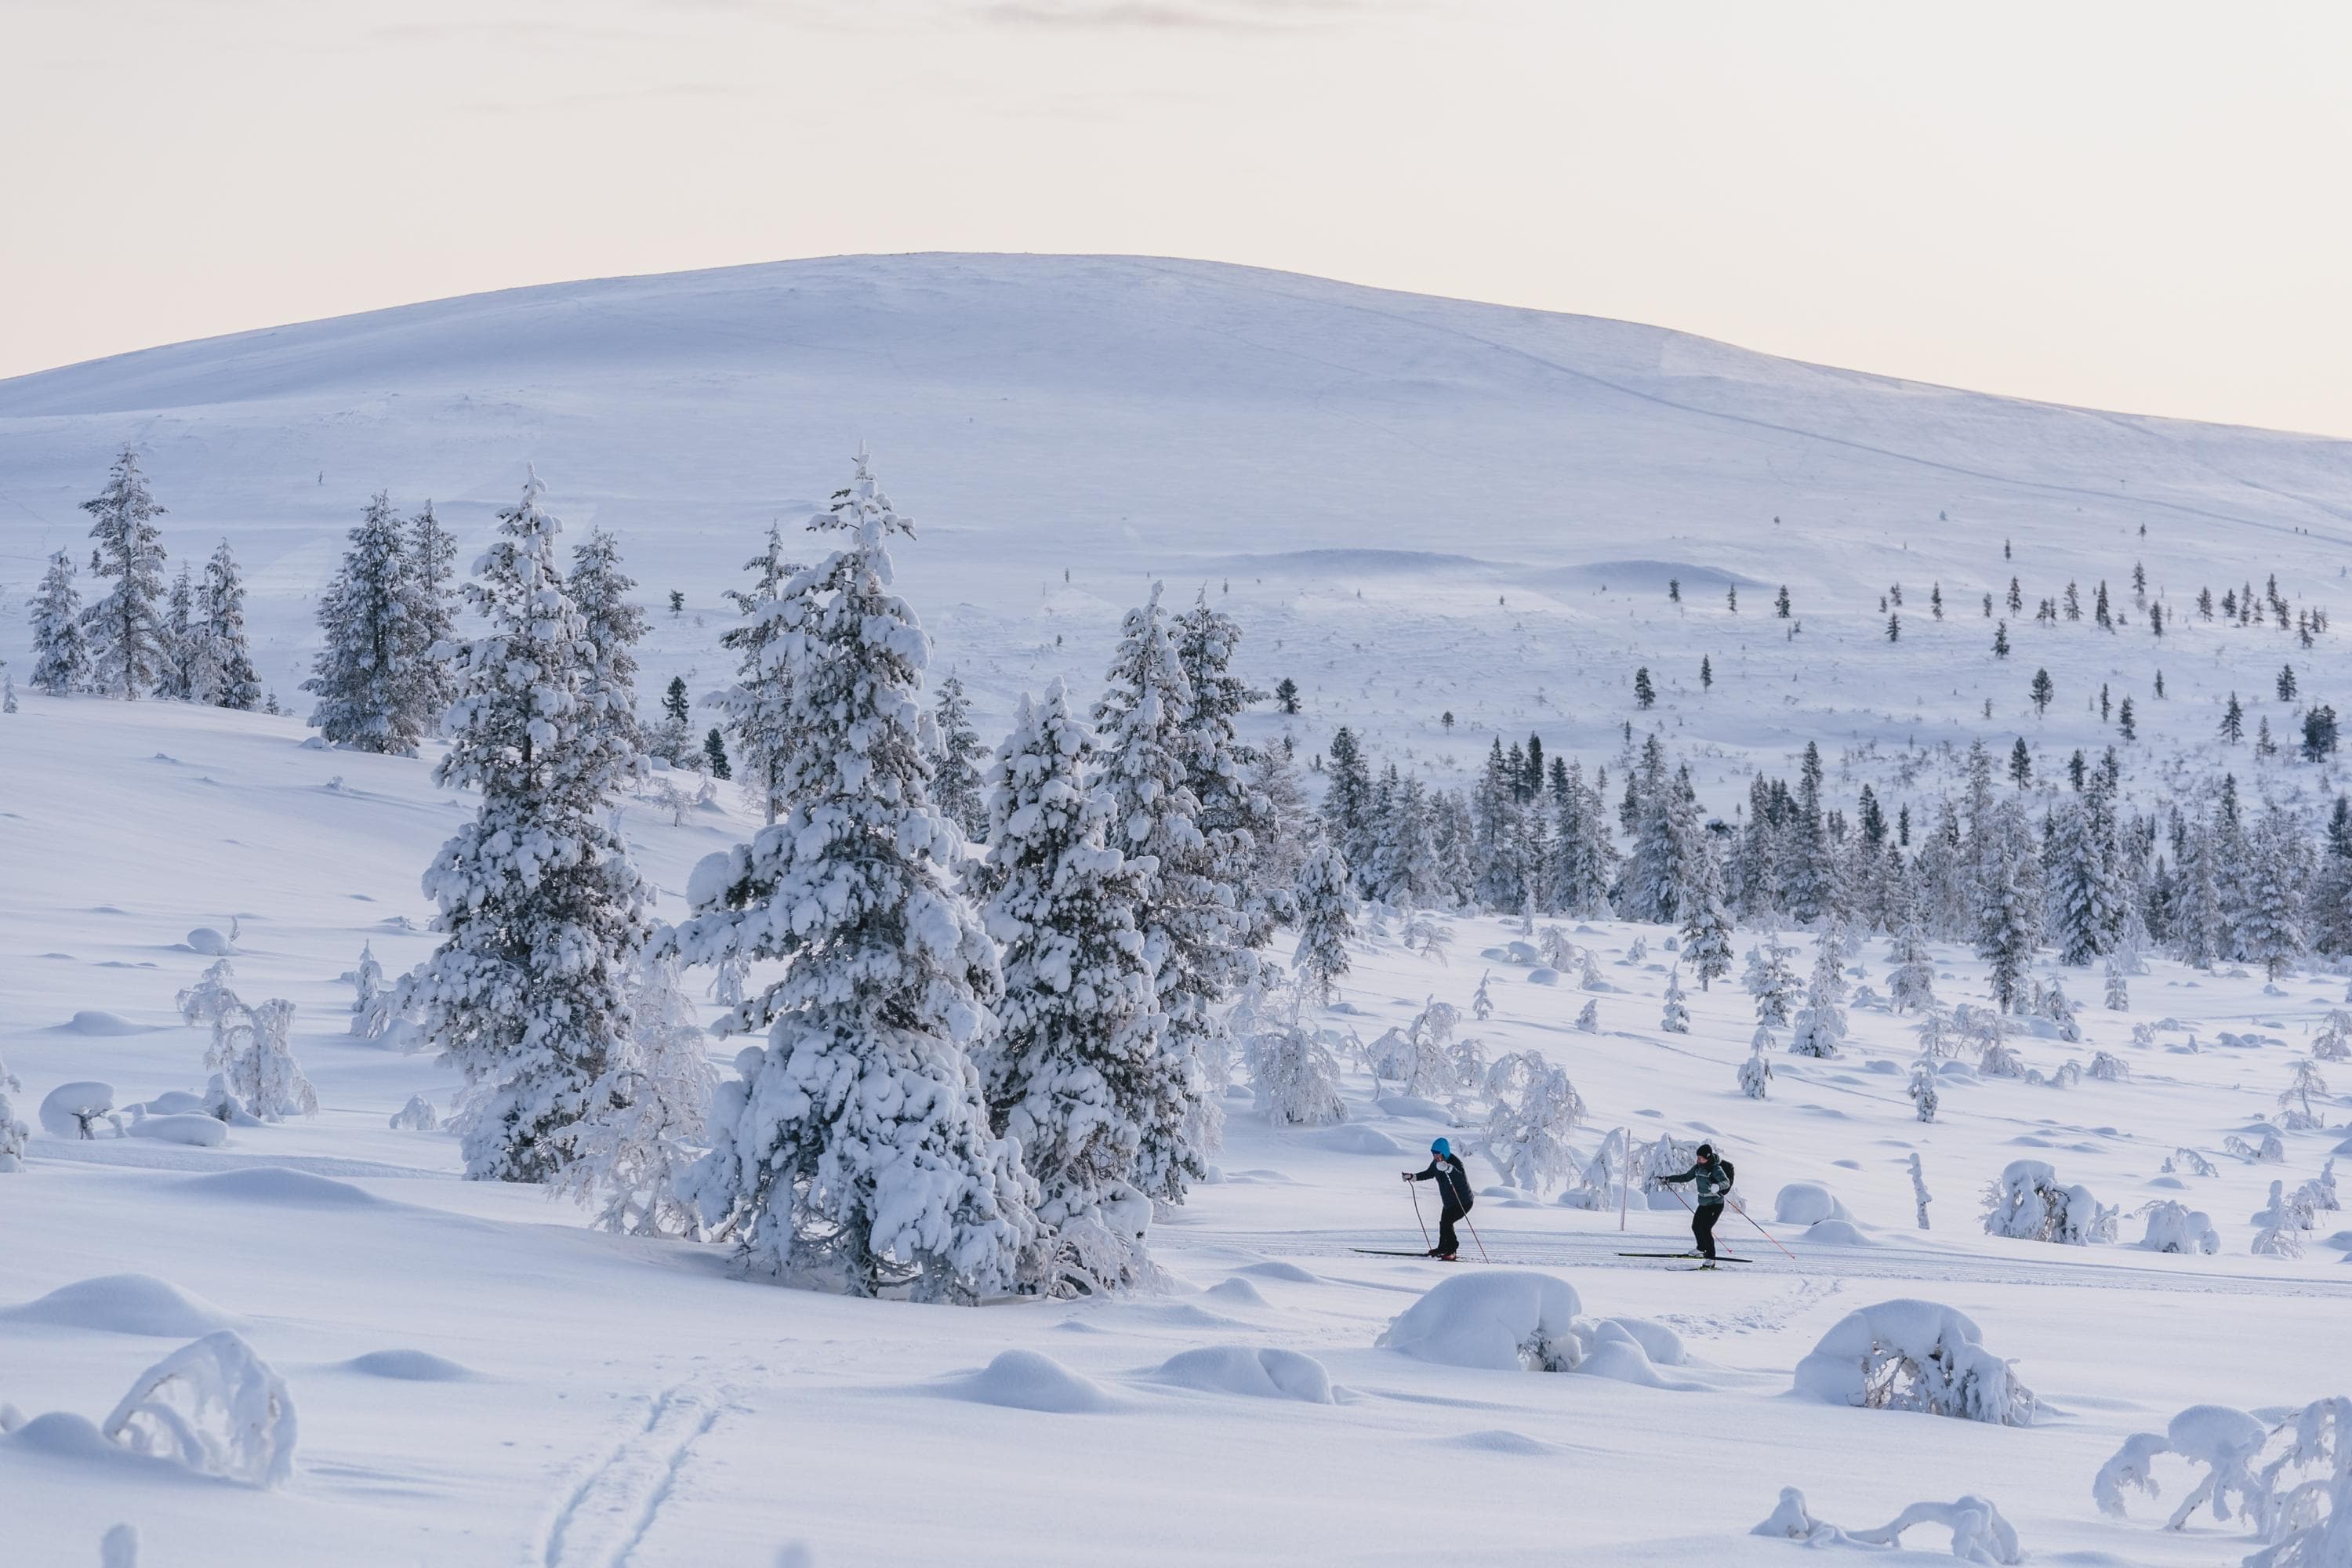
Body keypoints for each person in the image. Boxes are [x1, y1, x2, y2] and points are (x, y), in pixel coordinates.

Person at [1658, 1143, 1737, 1266]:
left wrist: (1718, 1186)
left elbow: (1726, 1182)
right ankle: (1701, 1249)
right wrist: (1668, 1179)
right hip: (1704, 1203)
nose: (1698, 1160)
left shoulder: (1715, 1169)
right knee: (1696, 1226)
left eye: (1701, 1158)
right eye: (1698, 1157)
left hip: (1715, 1204)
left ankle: (1711, 1259)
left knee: (1706, 1229)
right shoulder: (1698, 1168)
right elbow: (1685, 1177)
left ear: (1708, 1157)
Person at [1403, 1138, 1475, 1260]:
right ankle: (1443, 1248)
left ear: (1444, 1152)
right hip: (1449, 1202)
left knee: (1447, 1222)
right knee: (1444, 1223)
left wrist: (1448, 1168)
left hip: (1463, 1202)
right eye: (1434, 1153)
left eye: (1438, 1153)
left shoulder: (1455, 1162)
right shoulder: (1435, 1163)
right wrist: (1413, 1176)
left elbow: (1460, 1177)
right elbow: (1429, 1173)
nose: (1435, 1156)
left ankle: (1451, 1250)